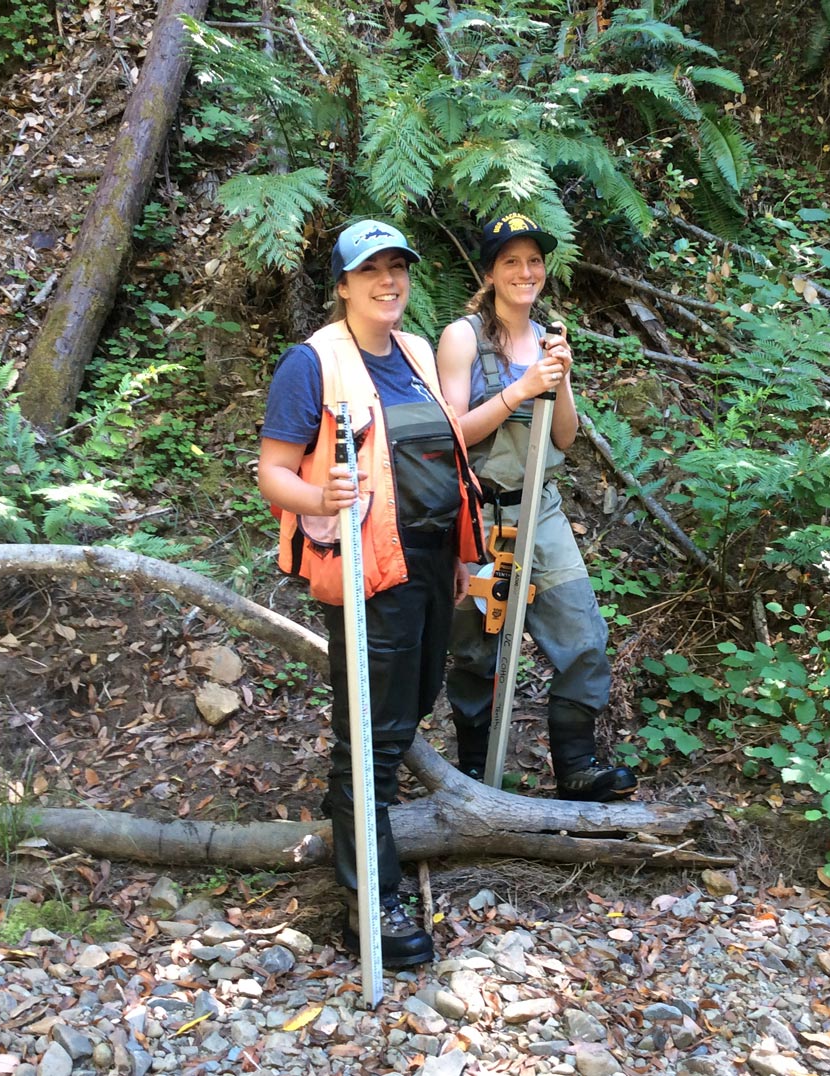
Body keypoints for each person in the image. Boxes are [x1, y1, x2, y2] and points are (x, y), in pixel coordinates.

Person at [257, 219, 484, 967]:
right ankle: (370, 901)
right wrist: (320, 496)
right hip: (366, 569)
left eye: (398, 268)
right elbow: (273, 474)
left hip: (426, 563)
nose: (389, 282)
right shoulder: (313, 362)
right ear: (344, 284)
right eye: (372, 270)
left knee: (410, 707)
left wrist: (458, 551)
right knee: (374, 737)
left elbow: (437, 459)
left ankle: (351, 819)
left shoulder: (415, 353)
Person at [436, 212, 637, 803]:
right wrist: (521, 389)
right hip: (475, 511)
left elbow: (565, 438)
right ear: (491, 272)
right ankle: (474, 774)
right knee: (473, 650)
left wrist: (561, 377)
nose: (526, 272)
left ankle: (577, 765)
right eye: (511, 262)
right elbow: (453, 435)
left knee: (583, 633)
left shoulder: (549, 335)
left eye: (534, 261)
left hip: (539, 511)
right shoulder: (463, 337)